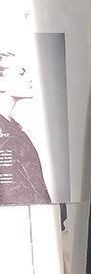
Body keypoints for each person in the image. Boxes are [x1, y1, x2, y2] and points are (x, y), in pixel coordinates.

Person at [0, 48, 50, 205]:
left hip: (35, 215)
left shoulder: (13, 128)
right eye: (21, 73)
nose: (30, 78)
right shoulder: (5, 130)